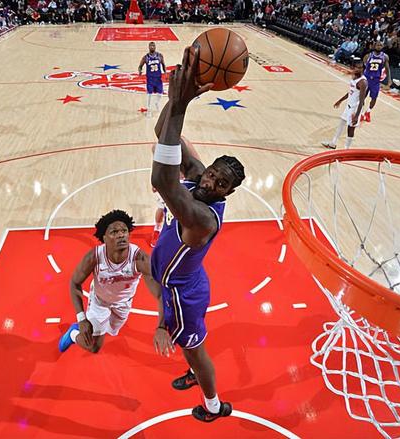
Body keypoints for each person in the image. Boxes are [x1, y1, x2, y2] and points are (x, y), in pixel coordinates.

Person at [150, 46, 246, 422]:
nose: (210, 182)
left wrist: (180, 105)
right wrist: (178, 101)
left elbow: (163, 181)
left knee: (196, 351)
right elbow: (162, 133)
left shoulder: (203, 218)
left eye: (221, 184)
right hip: (185, 282)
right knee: (190, 345)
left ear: (228, 194)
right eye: (212, 174)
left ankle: (213, 405)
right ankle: (194, 370)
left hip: (183, 294)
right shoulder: (199, 175)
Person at [59, 210, 160, 353]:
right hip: (99, 302)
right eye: (114, 232)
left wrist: (164, 323)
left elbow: (160, 293)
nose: (121, 235)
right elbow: (74, 283)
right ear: (104, 238)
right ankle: (73, 334)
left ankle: (98, 327)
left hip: (123, 303)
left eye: (124, 231)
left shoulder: (140, 259)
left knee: (112, 331)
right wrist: (81, 319)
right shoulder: (94, 257)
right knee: (94, 347)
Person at [150, 136, 200, 247]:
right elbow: (156, 164)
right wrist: (154, 180)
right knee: (161, 208)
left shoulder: (184, 142)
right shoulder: (157, 146)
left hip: (183, 182)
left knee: (181, 210)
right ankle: (157, 228)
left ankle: (180, 233)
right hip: (165, 181)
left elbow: (197, 162)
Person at [322, 61, 367, 149]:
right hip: (349, 106)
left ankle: (347, 149)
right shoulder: (354, 77)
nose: (358, 69)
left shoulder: (363, 82)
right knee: (341, 124)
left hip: (355, 108)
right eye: (356, 67)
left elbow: (362, 101)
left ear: (363, 69)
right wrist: (340, 100)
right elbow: (350, 92)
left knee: (350, 129)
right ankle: (333, 143)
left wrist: (357, 116)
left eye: (360, 68)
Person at [361, 41, 391, 122]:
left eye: (381, 45)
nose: (379, 46)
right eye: (378, 45)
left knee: (374, 98)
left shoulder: (385, 57)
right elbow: (362, 67)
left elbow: (387, 69)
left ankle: (368, 112)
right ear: (375, 46)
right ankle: (361, 113)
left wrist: (389, 80)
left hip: (376, 80)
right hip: (366, 78)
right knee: (362, 96)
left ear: (383, 46)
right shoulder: (368, 56)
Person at [138, 42, 166, 118]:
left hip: (158, 78)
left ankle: (156, 103)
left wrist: (165, 73)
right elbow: (140, 66)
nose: (152, 47)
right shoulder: (146, 57)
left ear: (155, 47)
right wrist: (140, 71)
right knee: (149, 95)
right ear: (149, 47)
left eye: (153, 46)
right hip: (150, 79)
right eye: (151, 46)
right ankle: (149, 111)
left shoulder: (160, 56)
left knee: (160, 94)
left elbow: (163, 64)